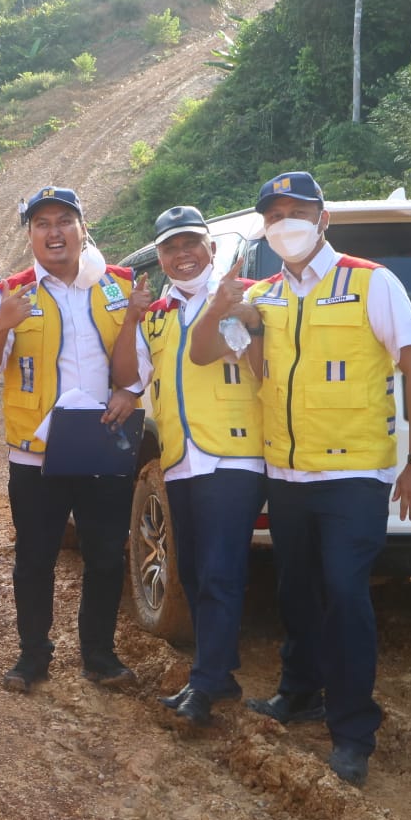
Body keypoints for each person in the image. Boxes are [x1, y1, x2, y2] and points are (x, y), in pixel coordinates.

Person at [192, 171, 411, 786]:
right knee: (295, 591)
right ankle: (300, 691)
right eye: (274, 216)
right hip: (287, 473)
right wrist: (228, 311)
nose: (286, 224)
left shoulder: (371, 282)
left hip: (354, 474)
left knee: (345, 593)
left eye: (297, 211)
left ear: (323, 219)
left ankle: (353, 730)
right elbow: (218, 354)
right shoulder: (265, 295)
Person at [0, 186, 141, 693]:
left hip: (102, 443)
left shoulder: (119, 285)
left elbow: (141, 359)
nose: (54, 232)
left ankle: (100, 656)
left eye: (64, 220)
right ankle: (32, 657)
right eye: (42, 224)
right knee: (34, 559)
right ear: (31, 236)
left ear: (83, 228)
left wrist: (129, 391)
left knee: (105, 555)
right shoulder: (12, 292)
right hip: (35, 454)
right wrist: (2, 325)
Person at [109, 207, 265, 727]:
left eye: (191, 243)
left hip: (235, 455)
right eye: (171, 248)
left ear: (211, 249)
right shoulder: (156, 315)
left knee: (220, 569)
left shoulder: (242, 298)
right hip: (180, 459)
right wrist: (131, 317)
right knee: (194, 571)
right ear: (160, 258)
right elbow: (130, 377)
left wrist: (232, 313)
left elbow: (250, 359)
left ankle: (206, 681)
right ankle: (219, 674)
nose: (182, 255)